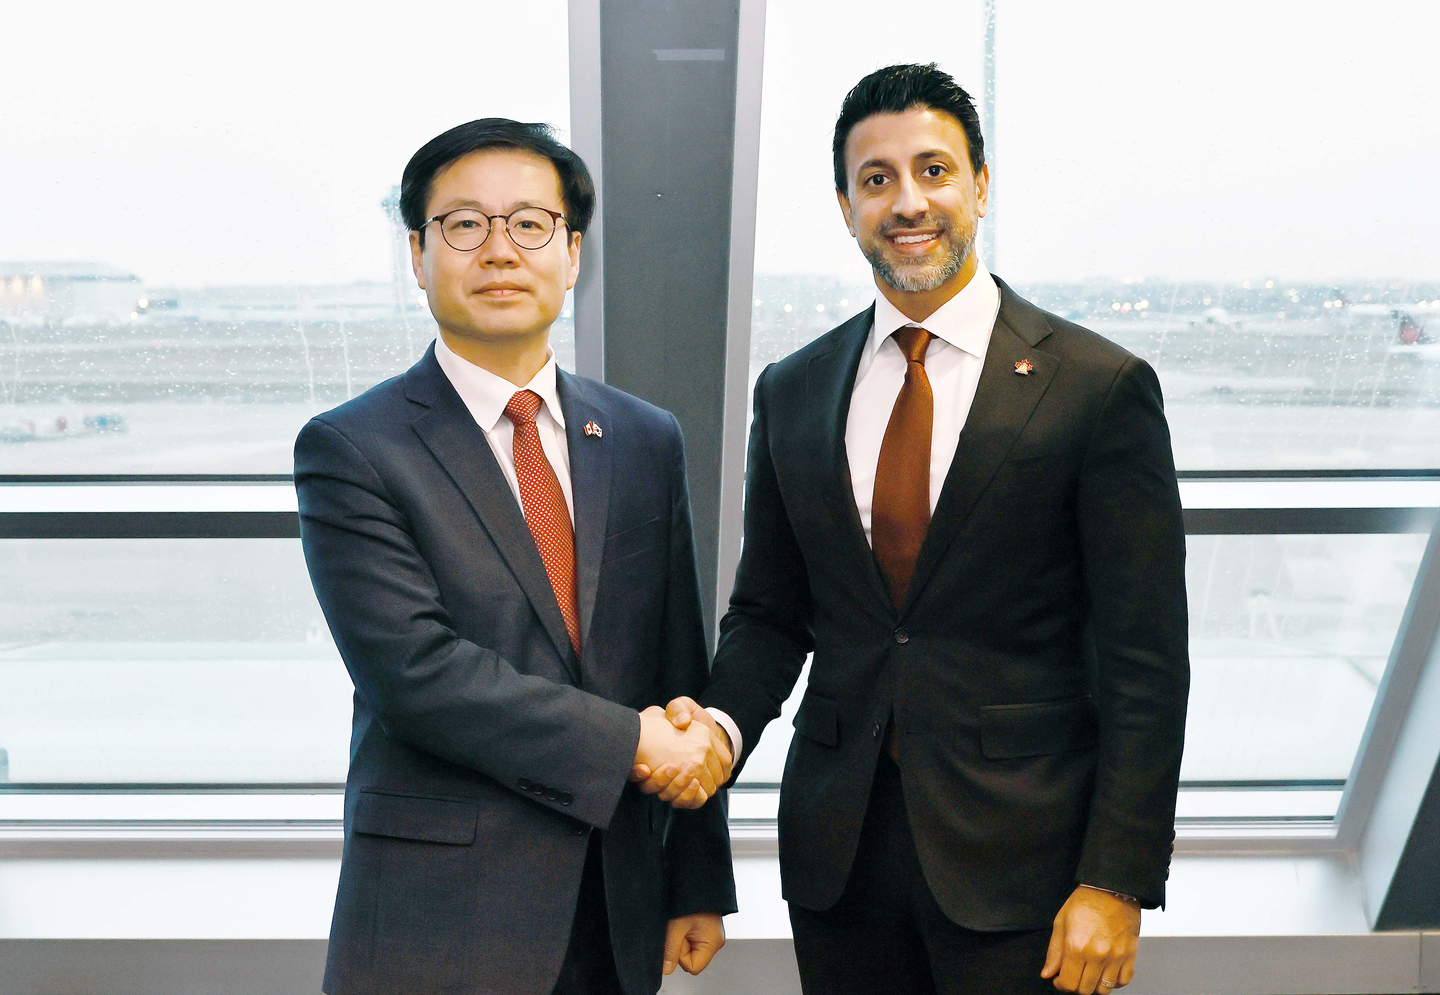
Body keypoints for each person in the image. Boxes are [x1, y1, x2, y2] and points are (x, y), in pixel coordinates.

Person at [645, 63, 1190, 994]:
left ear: (980, 186)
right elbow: (770, 614)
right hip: (839, 860)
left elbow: (1146, 660)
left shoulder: (1098, 388)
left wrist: (1117, 877)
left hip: (1029, 867)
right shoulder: (794, 389)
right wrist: (721, 732)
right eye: (877, 178)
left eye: (933, 170)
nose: (907, 201)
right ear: (846, 207)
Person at [295, 118, 736, 995]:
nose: (500, 250)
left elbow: (676, 666)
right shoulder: (353, 448)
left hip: (614, 908)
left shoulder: (644, 437)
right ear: (418, 254)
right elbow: (416, 674)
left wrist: (695, 880)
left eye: (530, 224)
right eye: (465, 224)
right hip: (439, 920)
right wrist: (631, 741)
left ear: (572, 255)